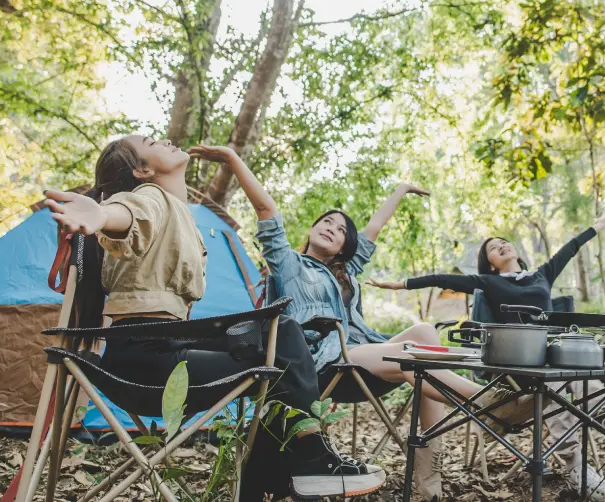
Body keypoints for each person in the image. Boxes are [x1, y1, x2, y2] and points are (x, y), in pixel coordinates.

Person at [43, 135, 385, 500]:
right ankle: (309, 464)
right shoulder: (151, 198)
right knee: (280, 338)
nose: (164, 139)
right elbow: (130, 215)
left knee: (278, 351)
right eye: (150, 141)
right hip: (149, 361)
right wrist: (100, 214)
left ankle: (293, 475)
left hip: (154, 351)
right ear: (142, 170)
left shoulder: (177, 212)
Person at [190, 145, 536, 502]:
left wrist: (400, 190)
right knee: (409, 352)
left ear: (343, 247)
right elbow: (266, 210)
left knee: (424, 332)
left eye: (340, 229)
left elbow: (374, 228)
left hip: (360, 358)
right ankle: (490, 404)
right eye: (326, 221)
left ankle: (429, 474)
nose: (331, 227)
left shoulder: (347, 272)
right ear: (311, 229)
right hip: (321, 366)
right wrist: (233, 158)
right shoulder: (288, 263)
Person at [367, 208, 605, 501]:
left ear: (516, 251)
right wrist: (401, 284)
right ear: (491, 265)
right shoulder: (491, 283)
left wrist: (595, 227)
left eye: (503, 242)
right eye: (493, 248)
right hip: (517, 367)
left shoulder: (542, 274)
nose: (501, 246)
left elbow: (571, 248)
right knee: (557, 379)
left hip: (554, 357)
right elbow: (442, 279)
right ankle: (580, 473)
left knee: (581, 368)